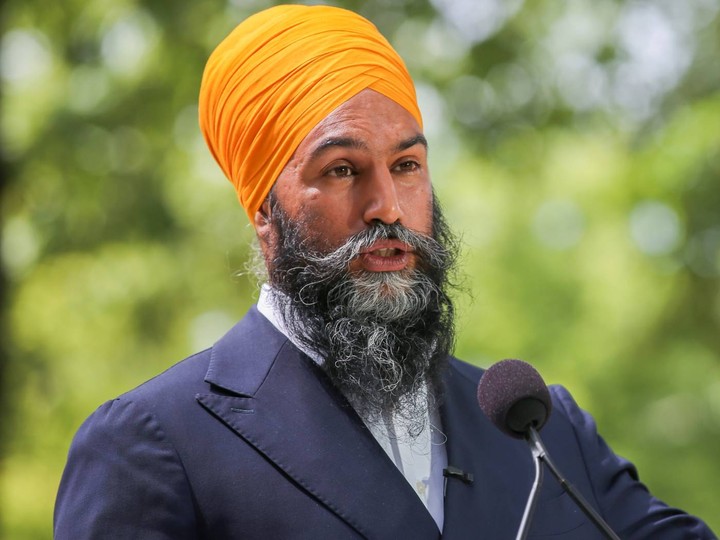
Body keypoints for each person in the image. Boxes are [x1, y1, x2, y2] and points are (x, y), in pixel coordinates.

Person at [54, 5, 715, 539]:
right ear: (263, 211)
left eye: (407, 166)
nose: (387, 208)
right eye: (342, 170)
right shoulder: (154, 443)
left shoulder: (539, 428)